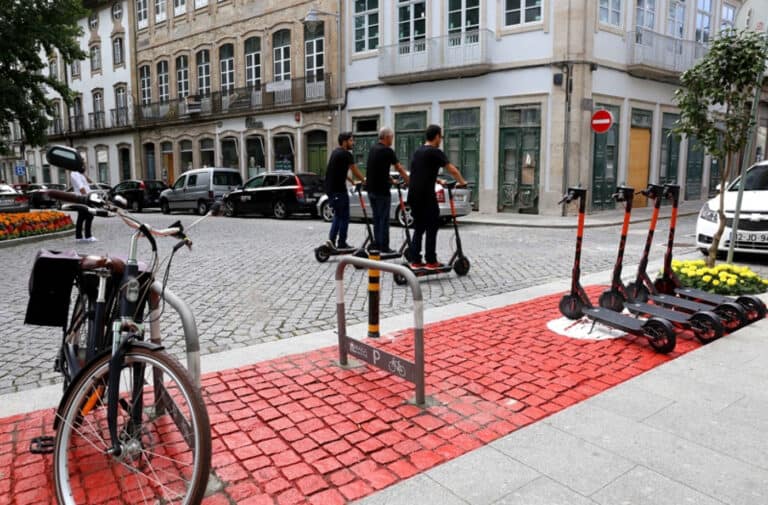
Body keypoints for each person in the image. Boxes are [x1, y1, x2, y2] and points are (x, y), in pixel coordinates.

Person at [407, 124, 467, 269]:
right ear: (436, 136)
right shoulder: (435, 152)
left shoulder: (418, 151)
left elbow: (420, 172)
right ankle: (431, 261)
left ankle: (415, 260)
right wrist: (462, 182)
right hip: (426, 196)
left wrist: (438, 180)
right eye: (441, 137)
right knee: (432, 226)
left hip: (413, 195)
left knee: (419, 228)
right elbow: (452, 169)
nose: (441, 140)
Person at [365, 127, 409, 254]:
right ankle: (384, 246)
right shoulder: (388, 151)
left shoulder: (373, 149)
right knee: (384, 219)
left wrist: (391, 180)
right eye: (392, 137)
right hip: (382, 191)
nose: (392, 140)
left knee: (377, 218)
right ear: (387, 137)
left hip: (371, 190)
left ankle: (377, 244)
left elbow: (379, 169)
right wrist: (408, 181)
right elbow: (399, 168)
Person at [325, 132, 365, 249]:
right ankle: (341, 243)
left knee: (338, 215)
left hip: (331, 190)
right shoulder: (346, 154)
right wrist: (364, 180)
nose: (353, 143)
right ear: (344, 142)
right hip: (338, 190)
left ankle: (331, 241)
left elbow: (340, 171)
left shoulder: (335, 152)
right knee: (344, 217)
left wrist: (352, 181)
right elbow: (354, 170)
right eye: (351, 140)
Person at [70, 165, 97, 243]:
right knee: (88, 216)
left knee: (82, 217)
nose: (84, 166)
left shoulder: (80, 173)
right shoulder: (74, 173)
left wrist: (84, 173)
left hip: (85, 197)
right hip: (82, 198)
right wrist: (87, 198)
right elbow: (81, 187)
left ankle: (79, 237)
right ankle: (87, 236)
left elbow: (90, 181)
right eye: (83, 164)